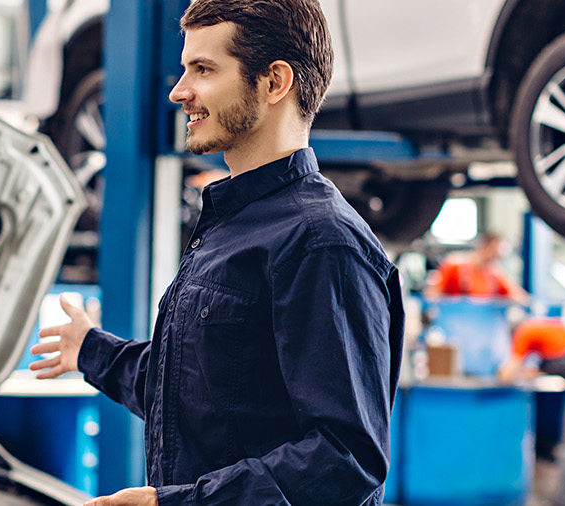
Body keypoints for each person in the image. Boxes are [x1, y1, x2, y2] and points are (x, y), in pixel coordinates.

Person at [29, 1, 404, 504]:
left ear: (274, 83)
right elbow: (199, 394)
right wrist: (92, 351)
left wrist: (173, 503)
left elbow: (345, 459)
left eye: (203, 70)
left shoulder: (322, 242)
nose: (178, 91)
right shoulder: (230, 228)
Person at [424, 231, 530, 305]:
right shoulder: (454, 266)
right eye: (494, 251)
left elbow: (518, 296)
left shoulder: (494, 273)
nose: (496, 256)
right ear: (485, 247)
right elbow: (432, 295)